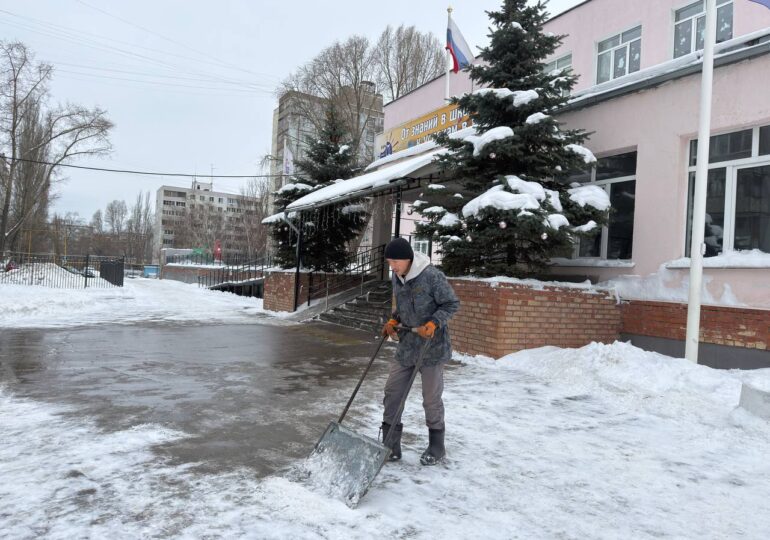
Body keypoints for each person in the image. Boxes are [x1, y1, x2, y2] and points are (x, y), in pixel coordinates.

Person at [380, 237, 460, 466]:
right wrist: (394, 320)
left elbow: (451, 304)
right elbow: (403, 307)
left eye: (395, 262)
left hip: (432, 347)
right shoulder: (397, 276)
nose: (392, 267)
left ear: (408, 259)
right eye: (389, 262)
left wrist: (434, 323)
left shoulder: (432, 276)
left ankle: (437, 446)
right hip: (407, 346)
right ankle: (391, 444)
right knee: (392, 393)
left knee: (430, 399)